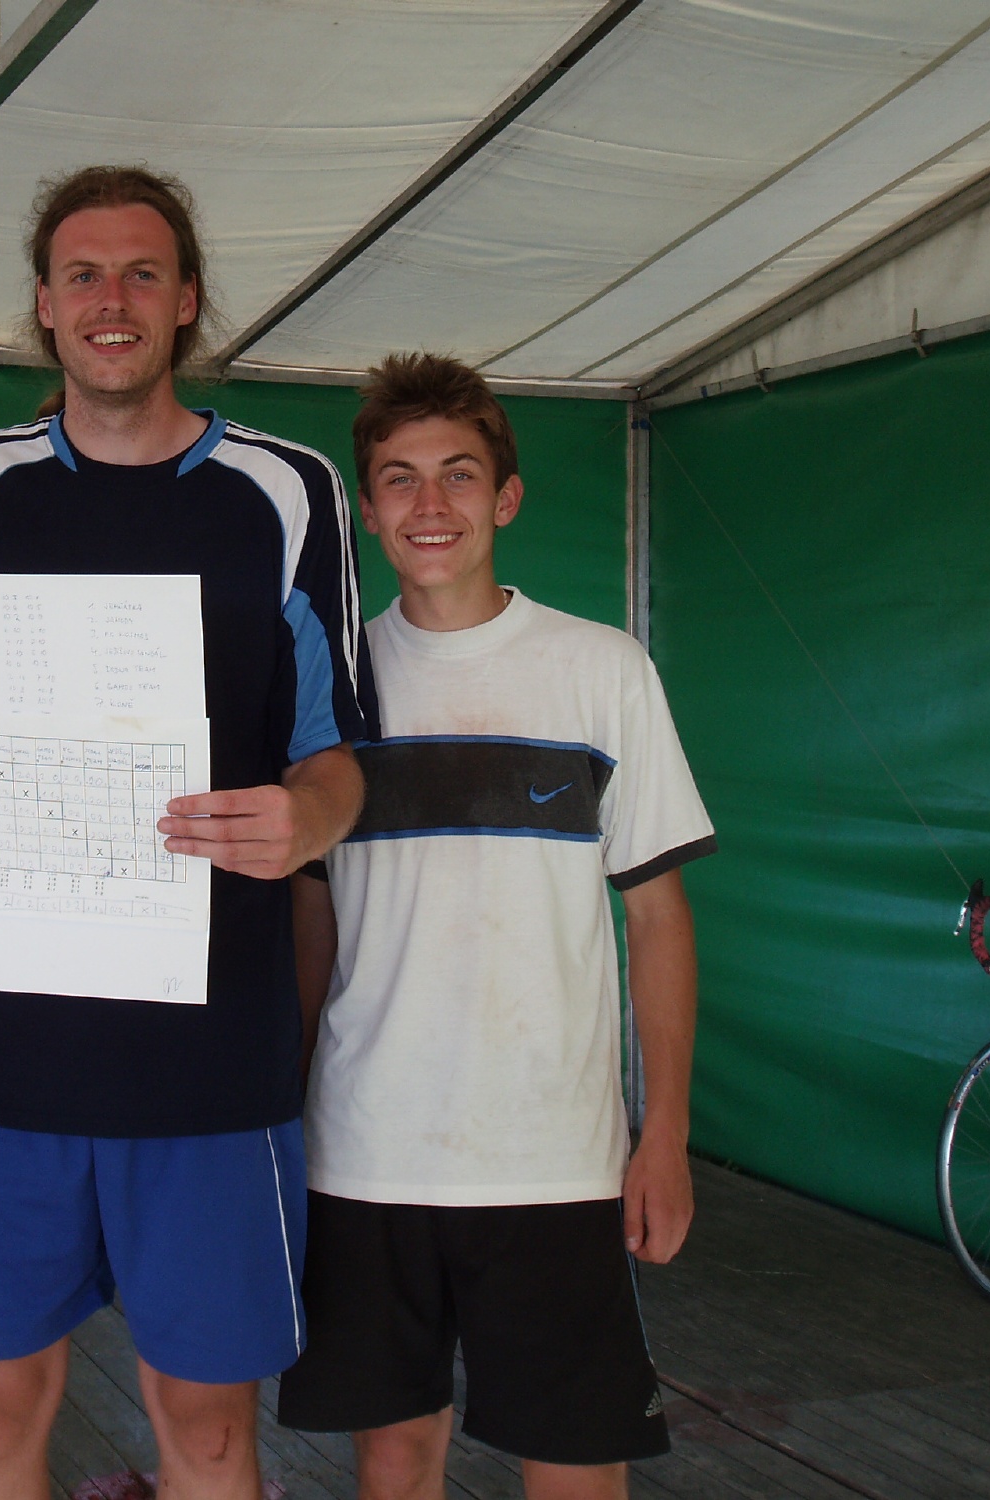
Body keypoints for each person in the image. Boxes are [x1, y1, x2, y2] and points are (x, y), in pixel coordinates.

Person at [0, 166, 377, 1500]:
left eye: (143, 272)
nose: (113, 299)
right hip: (1, 1057)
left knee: (205, 1429)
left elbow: (339, 758)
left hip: (210, 1061)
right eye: (83, 274)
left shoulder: (289, 490)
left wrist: (301, 820)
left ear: (188, 298)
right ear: (42, 304)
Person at [277, 353, 713, 1500]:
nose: (430, 505)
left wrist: (662, 1135)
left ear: (506, 497)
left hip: (554, 1158)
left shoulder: (602, 670)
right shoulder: (331, 687)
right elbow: (310, 915)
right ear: (366, 511)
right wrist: (282, 1103)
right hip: (364, 1149)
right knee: (394, 1458)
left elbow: (657, 919)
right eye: (399, 479)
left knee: (573, 1465)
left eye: (458, 475)